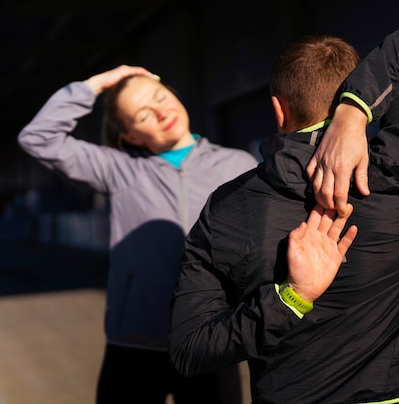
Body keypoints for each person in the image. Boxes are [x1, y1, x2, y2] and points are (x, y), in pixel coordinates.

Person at [168, 17, 399, 404]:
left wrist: (290, 299)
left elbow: (190, 350)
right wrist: (354, 111)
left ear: (277, 110)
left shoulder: (226, 209)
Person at [17, 65, 258, 404]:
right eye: (143, 114)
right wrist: (96, 85)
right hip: (133, 344)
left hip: (210, 339)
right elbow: (37, 138)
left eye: (161, 97)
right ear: (130, 136)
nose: (161, 113)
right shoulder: (118, 168)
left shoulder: (238, 165)